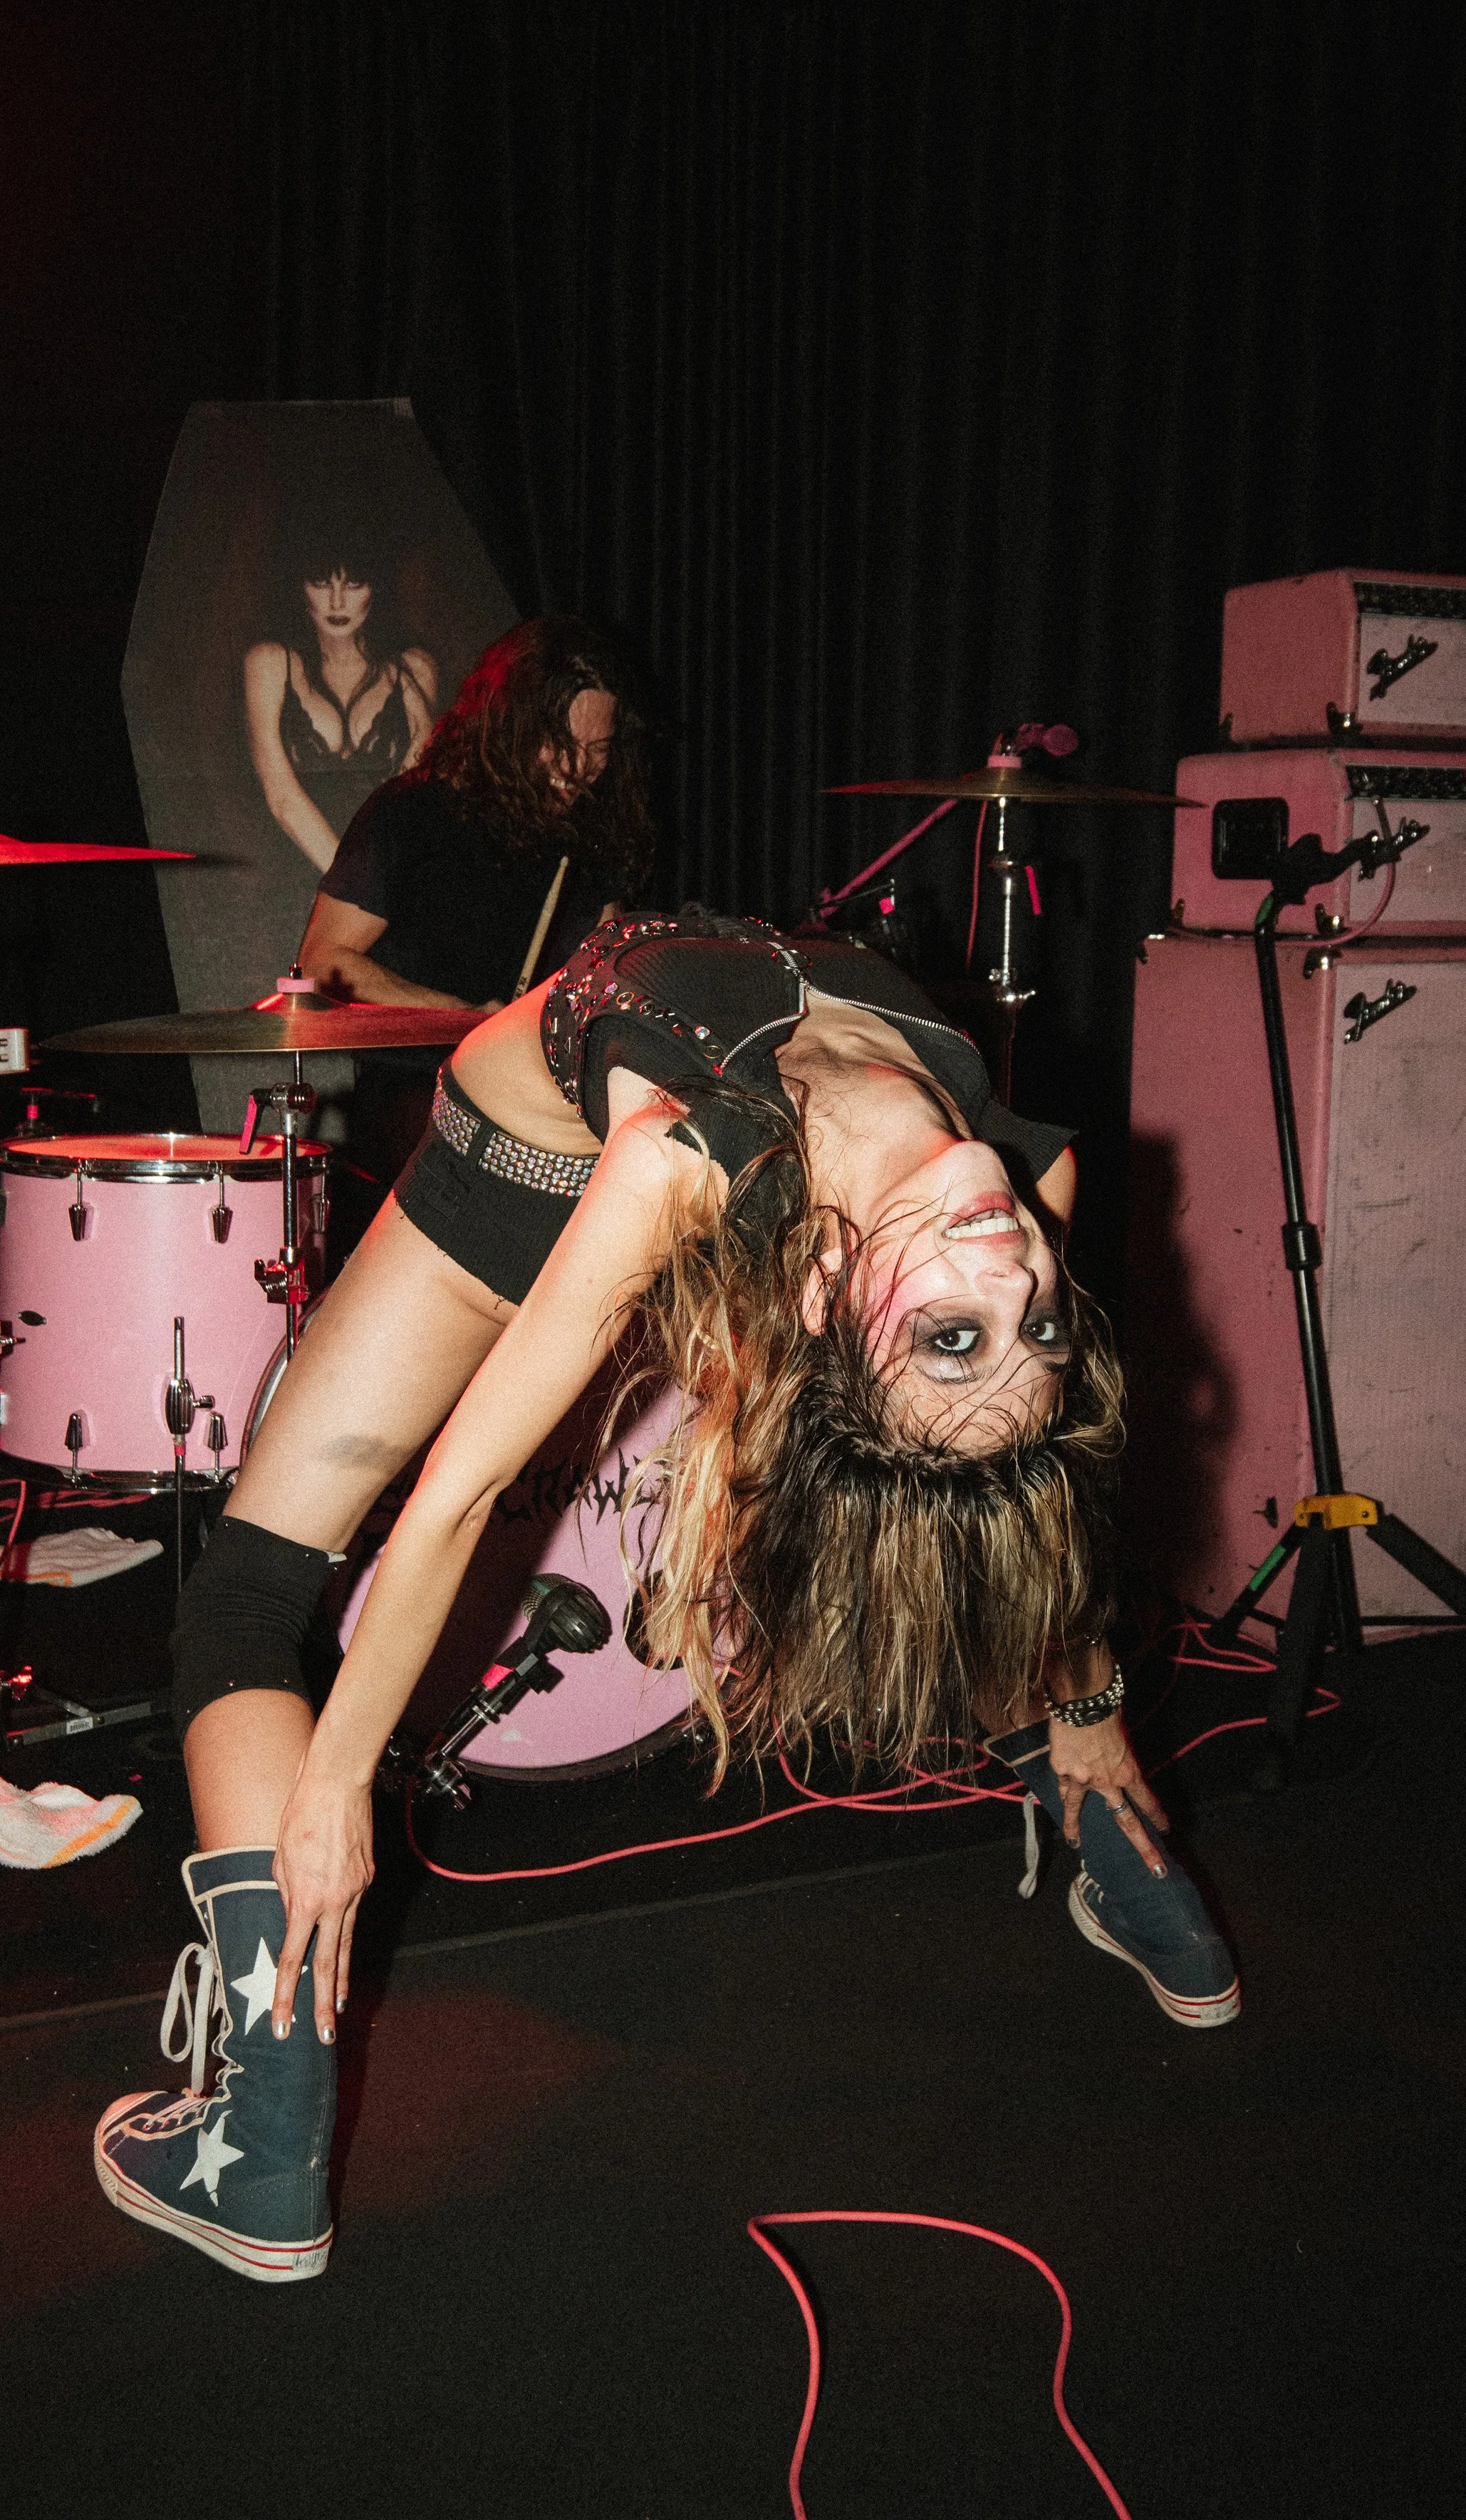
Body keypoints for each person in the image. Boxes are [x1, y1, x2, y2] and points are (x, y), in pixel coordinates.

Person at [93, 903, 1241, 2284]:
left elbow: (453, 1502)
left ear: (826, 1299)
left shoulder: (683, 1161)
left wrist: (338, 1784)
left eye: (951, 1336)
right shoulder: (1011, 1186)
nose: (1007, 1278)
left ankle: (258, 2148)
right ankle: (1132, 1866)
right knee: (988, 1499)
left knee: (241, 1604)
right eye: (1032, 1326)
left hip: (514, 1185)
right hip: (726, 1193)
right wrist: (1090, 1696)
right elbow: (1020, 1498)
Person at [297, 614, 655, 1213]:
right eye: (560, 746)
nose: (579, 769)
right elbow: (325, 959)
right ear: (506, 729)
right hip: (417, 1093)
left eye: (598, 750)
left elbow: (598, 971)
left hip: (538, 1092)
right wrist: (464, 1016)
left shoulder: (590, 834)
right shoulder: (411, 815)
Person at [243, 529, 437, 875]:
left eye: (352, 585)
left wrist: (380, 882)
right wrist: (353, 882)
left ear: (375, 589)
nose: (336, 602)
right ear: (299, 590)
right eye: (321, 584)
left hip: (386, 870)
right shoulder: (269, 663)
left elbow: (415, 794)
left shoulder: (413, 668)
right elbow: (281, 796)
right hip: (296, 874)